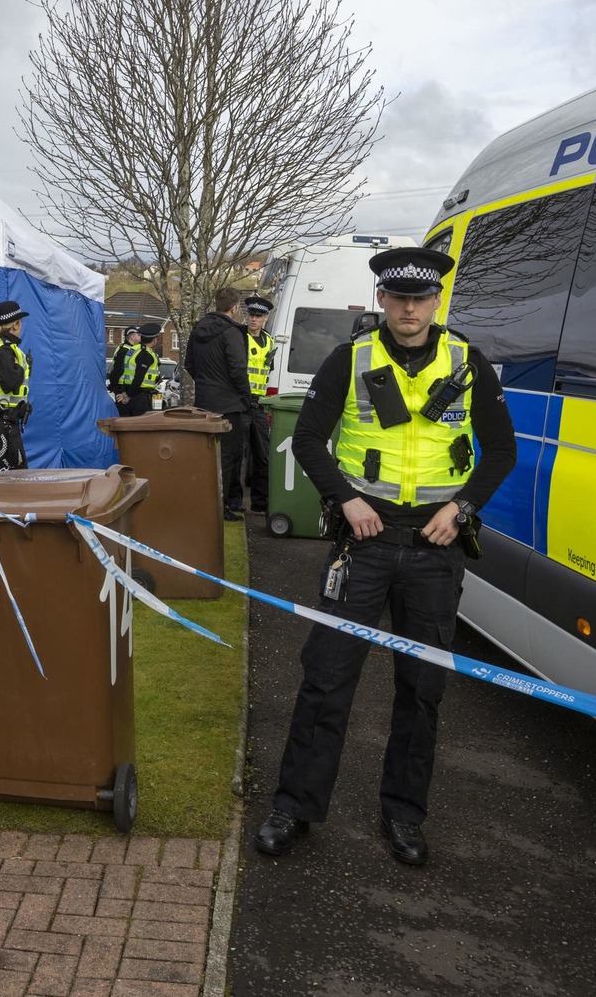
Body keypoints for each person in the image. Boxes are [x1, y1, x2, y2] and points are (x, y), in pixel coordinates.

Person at [256, 246, 516, 868]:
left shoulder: (468, 363)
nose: (409, 308)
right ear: (382, 301)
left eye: (420, 298)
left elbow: (502, 452)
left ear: (436, 302)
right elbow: (309, 440)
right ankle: (294, 806)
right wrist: (344, 500)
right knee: (325, 679)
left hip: (434, 545)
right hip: (363, 542)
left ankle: (404, 815)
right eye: (398, 297)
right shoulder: (349, 360)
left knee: (422, 690)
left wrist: (463, 509)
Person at [183, 286, 252, 521]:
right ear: (234, 308)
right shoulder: (231, 332)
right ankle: (220, 509)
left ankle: (209, 502)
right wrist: (246, 396)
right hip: (230, 405)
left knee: (207, 456)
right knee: (228, 458)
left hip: (204, 402)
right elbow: (238, 369)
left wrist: (206, 384)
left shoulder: (198, 329)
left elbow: (189, 364)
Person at [0, 300, 31, 470]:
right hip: (3, 422)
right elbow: (10, 383)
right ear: (15, 325)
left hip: (2, 421)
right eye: (20, 322)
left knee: (9, 473)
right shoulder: (4, 351)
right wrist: (21, 368)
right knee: (15, 476)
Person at [242, 295, 276, 513]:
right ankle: (233, 501)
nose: (254, 319)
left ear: (265, 318)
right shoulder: (239, 338)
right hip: (240, 401)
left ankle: (260, 503)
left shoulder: (270, 341)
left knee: (262, 455)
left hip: (259, 404)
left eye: (258, 316)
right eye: (251, 315)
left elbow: (267, 371)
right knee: (236, 455)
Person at [123, 321, 164, 416]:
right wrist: (128, 395)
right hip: (139, 395)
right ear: (154, 339)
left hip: (130, 391)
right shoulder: (145, 355)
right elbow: (139, 377)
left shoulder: (134, 349)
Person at [107, 325, 144, 413]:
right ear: (132, 337)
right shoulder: (126, 352)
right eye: (138, 335)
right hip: (122, 388)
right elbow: (118, 370)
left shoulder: (122, 348)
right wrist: (118, 388)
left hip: (125, 387)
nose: (140, 337)